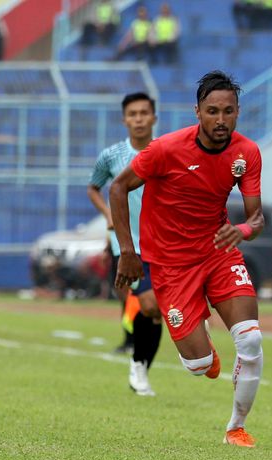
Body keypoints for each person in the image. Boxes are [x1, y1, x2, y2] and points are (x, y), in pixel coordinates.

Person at [110, 71, 265, 447]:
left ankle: (236, 427)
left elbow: (256, 218)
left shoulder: (246, 153)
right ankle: (202, 348)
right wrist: (128, 252)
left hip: (218, 252)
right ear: (197, 112)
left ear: (238, 112)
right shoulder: (166, 149)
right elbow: (118, 187)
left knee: (250, 339)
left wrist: (241, 231)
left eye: (228, 112)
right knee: (198, 366)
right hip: (170, 267)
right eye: (212, 111)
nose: (221, 120)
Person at [87, 92, 163, 396]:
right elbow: (94, 187)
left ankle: (140, 366)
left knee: (156, 311)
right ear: (124, 119)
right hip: (127, 242)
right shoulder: (111, 156)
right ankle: (137, 363)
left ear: (154, 118)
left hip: (162, 241)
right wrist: (107, 213)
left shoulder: (166, 151)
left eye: (144, 113)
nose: (139, 119)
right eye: (133, 114)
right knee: (149, 303)